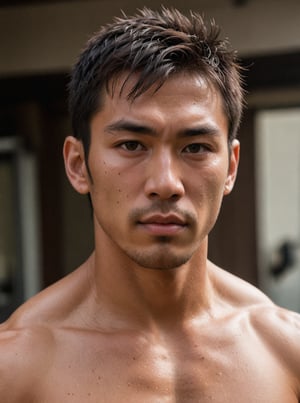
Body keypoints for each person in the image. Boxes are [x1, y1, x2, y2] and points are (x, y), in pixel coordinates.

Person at [0, 7, 299, 402]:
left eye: (195, 147)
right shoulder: (16, 367)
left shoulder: (286, 351)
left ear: (231, 167)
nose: (165, 184)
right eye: (131, 145)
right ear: (78, 165)